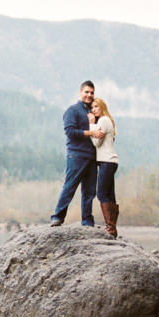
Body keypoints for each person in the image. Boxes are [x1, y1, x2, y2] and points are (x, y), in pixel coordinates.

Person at [50, 81, 105, 227]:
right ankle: (57, 217)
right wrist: (91, 132)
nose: (89, 95)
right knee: (69, 187)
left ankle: (87, 221)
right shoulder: (72, 111)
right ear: (80, 93)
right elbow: (70, 132)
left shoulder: (93, 112)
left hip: (92, 157)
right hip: (76, 156)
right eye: (86, 92)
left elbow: (101, 133)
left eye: (92, 92)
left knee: (89, 192)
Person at [88, 98, 119, 237]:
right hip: (110, 162)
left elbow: (96, 143)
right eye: (92, 107)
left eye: (96, 106)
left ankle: (110, 227)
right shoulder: (108, 120)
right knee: (110, 194)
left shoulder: (102, 121)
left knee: (101, 194)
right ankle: (112, 228)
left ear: (102, 107)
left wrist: (91, 125)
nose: (93, 109)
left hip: (106, 161)